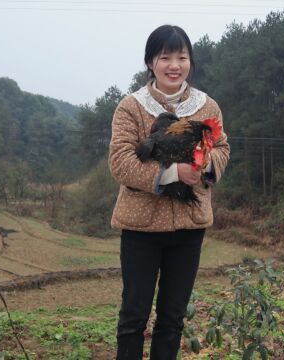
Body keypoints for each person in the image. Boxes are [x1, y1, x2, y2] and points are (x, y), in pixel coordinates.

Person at [108, 24, 230, 360]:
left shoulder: (208, 107)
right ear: (150, 62)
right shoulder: (131, 107)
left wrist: (205, 165)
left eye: (182, 57)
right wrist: (173, 172)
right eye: (165, 57)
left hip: (189, 228)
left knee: (173, 319)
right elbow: (120, 163)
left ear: (190, 61)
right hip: (141, 228)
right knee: (133, 317)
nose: (174, 65)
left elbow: (221, 147)